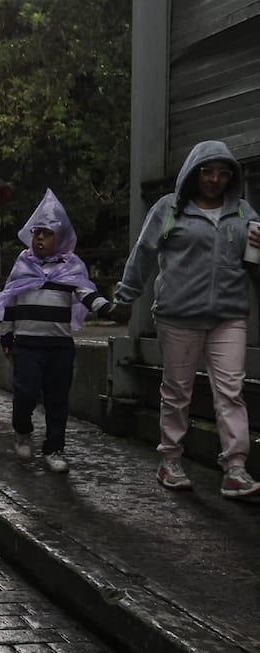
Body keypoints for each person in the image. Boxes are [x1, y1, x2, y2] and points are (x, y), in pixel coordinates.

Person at [111, 140, 260, 498]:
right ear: (193, 173)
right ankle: (170, 459)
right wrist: (125, 297)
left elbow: (253, 264)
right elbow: (143, 254)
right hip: (178, 315)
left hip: (228, 316)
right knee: (178, 391)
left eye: (223, 173)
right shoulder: (169, 209)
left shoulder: (244, 213)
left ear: (232, 177)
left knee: (231, 391)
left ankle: (235, 468)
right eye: (207, 171)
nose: (214, 179)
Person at [0, 190, 112, 472]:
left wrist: (108, 309)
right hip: (27, 345)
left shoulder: (70, 268)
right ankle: (22, 431)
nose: (40, 238)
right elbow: (11, 300)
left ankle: (54, 448)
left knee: (57, 399)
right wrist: (7, 335)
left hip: (59, 346)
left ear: (61, 238)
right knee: (25, 393)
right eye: (36, 233)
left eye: (47, 233)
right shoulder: (23, 266)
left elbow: (87, 294)